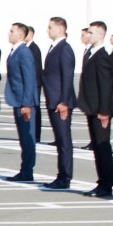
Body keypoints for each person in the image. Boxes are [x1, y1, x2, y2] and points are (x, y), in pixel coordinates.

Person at [79, 21, 113, 198]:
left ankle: (106, 184)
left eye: (91, 32)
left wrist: (104, 111)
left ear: (101, 35)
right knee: (97, 148)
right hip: (91, 108)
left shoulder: (102, 56)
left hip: (100, 110)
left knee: (103, 147)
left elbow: (105, 86)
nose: (88, 34)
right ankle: (101, 182)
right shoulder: (90, 53)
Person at [42, 17, 76, 189]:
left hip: (60, 102)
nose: (47, 30)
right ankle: (61, 174)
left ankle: (65, 177)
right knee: (59, 141)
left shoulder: (64, 49)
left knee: (64, 141)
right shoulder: (54, 47)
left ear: (60, 29)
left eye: (50, 27)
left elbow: (68, 77)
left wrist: (64, 101)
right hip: (53, 100)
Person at [5, 23, 38, 183]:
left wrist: (27, 104)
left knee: (27, 138)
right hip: (17, 100)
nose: (8, 33)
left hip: (24, 102)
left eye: (12, 31)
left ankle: (27, 171)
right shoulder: (15, 51)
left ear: (20, 35)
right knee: (23, 138)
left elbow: (29, 79)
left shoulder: (24, 52)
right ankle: (24, 169)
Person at [25, 25, 45, 144]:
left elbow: (36, 68)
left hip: (34, 84)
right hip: (31, 84)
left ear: (31, 34)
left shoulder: (33, 48)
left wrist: (34, 84)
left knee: (35, 109)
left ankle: (36, 135)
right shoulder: (28, 48)